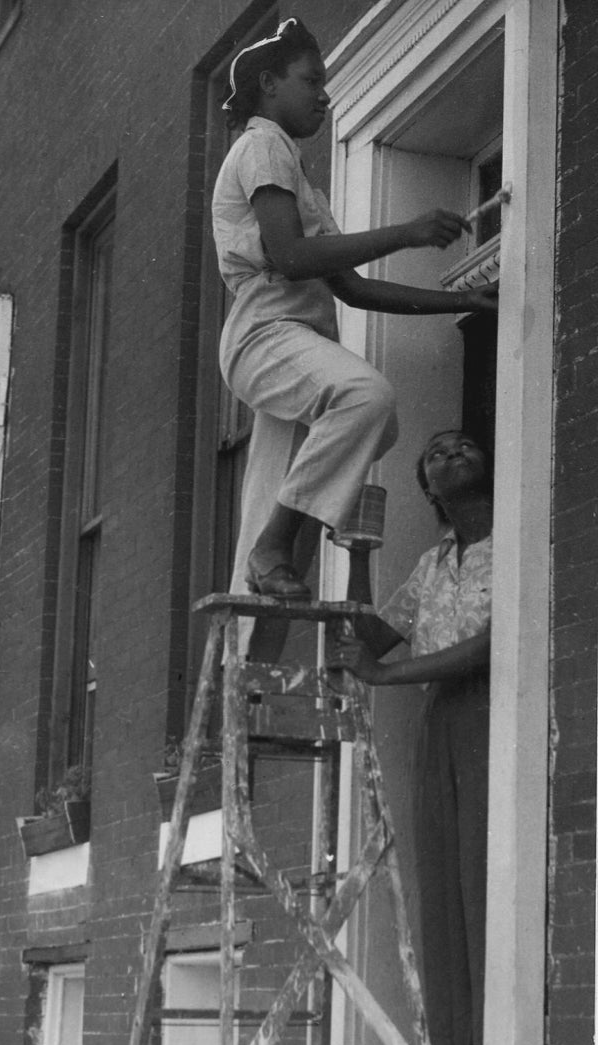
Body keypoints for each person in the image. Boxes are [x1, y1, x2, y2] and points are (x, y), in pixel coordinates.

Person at [211, 18, 496, 652]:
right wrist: (406, 232)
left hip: (296, 344)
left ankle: (251, 667)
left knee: (344, 447)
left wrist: (460, 298)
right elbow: (287, 257)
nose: (324, 95)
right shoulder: (263, 146)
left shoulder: (299, 180)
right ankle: (276, 547)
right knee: (366, 400)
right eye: (310, 81)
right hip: (268, 333)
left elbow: (356, 288)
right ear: (267, 84)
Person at [329, 427, 493, 1045]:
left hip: (493, 721)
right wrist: (358, 541)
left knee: (488, 918)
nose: (450, 450)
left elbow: (487, 649)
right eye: (435, 452)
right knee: (444, 924)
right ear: (428, 487)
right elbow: (374, 632)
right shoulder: (432, 565)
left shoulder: (516, 541)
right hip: (439, 733)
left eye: (462, 443)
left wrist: (387, 679)